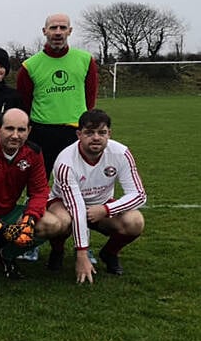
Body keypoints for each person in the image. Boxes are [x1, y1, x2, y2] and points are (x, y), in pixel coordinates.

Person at [0, 109, 63, 280]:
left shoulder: (33, 153)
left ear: (29, 131)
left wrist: (30, 218)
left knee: (53, 224)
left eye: (21, 130)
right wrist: (1, 227)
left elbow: (39, 191)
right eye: (9, 129)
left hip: (8, 211)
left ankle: (6, 256)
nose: (15, 135)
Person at [46, 109, 147, 283]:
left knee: (135, 222)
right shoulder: (65, 161)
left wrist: (106, 209)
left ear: (109, 133)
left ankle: (109, 254)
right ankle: (57, 250)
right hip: (65, 205)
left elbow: (138, 194)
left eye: (102, 132)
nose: (96, 137)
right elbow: (76, 208)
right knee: (60, 222)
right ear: (79, 134)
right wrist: (82, 253)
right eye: (89, 132)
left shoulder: (121, 153)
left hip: (101, 205)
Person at [16, 13, 99, 176]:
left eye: (63, 27)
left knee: (77, 178)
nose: (58, 32)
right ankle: (34, 202)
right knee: (38, 180)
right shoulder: (29, 66)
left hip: (75, 131)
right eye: (53, 28)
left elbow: (90, 98)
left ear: (70, 31)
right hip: (42, 132)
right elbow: (24, 102)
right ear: (44, 31)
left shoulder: (86, 60)